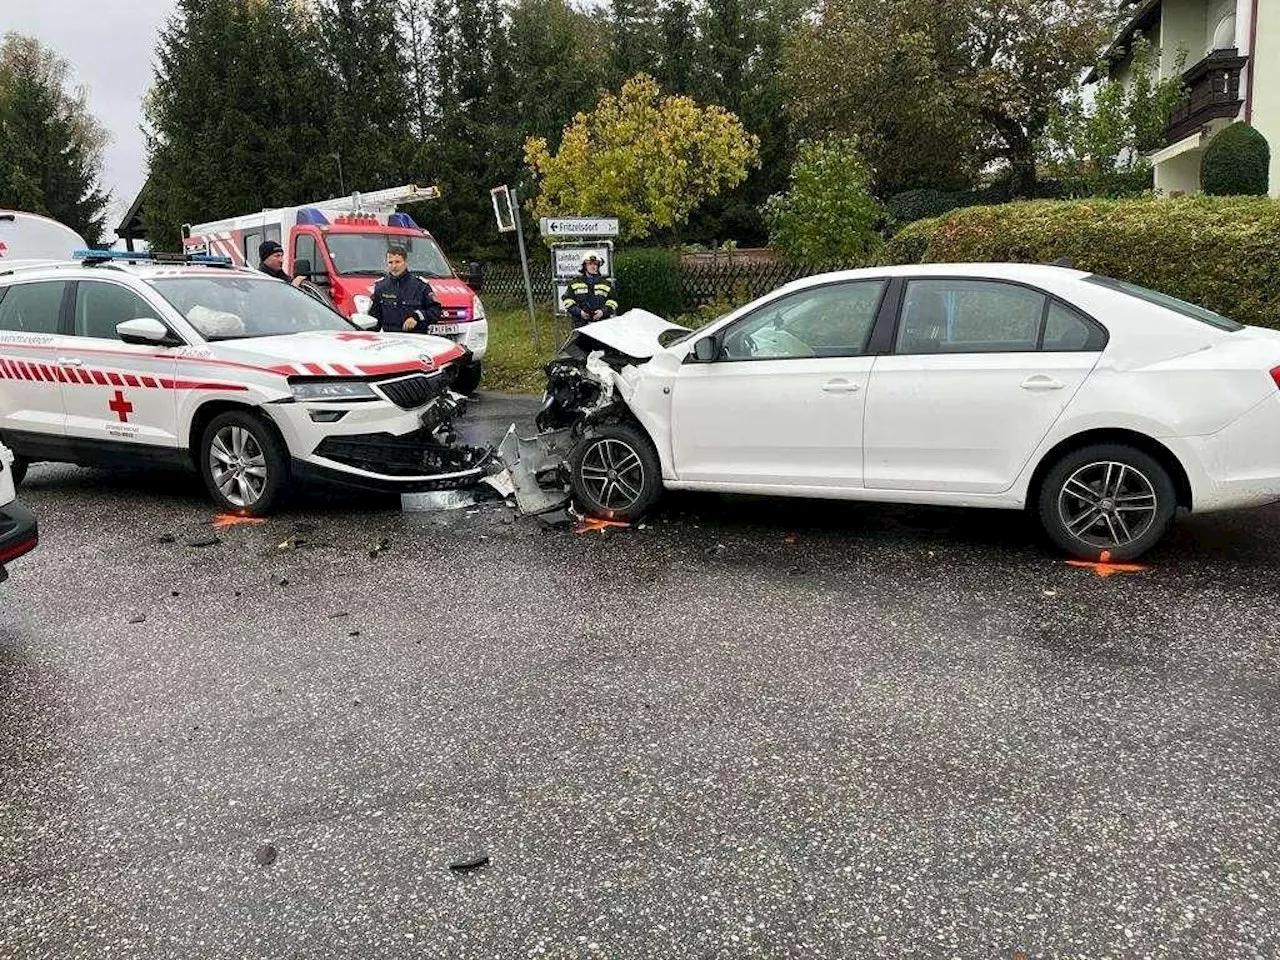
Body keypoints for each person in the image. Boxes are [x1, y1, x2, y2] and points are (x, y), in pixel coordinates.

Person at [369, 245, 442, 332]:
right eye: (390, 262)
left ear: (405, 262)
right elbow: (374, 318)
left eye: (397, 262)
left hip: (415, 338)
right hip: (390, 339)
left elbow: (435, 311)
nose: (394, 266)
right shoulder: (380, 286)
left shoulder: (421, 286)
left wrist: (417, 316)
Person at [562, 254, 618, 328]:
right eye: (590, 264)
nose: (593, 266)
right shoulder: (575, 284)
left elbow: (613, 301)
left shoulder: (606, 284)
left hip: (602, 324)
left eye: (595, 264)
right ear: (584, 266)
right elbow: (567, 301)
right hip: (581, 324)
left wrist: (602, 312)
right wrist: (580, 312)